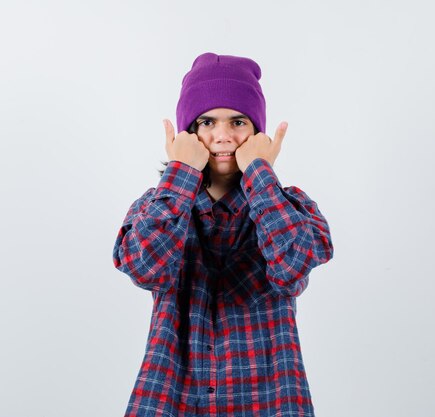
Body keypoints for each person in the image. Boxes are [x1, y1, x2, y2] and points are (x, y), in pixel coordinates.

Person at [112, 52, 334, 417]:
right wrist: (181, 172)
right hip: (172, 397)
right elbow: (145, 268)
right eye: (206, 121)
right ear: (188, 133)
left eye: (238, 122)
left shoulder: (291, 205)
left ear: (258, 132)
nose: (222, 136)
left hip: (269, 399)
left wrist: (260, 173)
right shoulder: (156, 206)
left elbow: (292, 267)